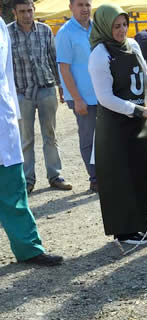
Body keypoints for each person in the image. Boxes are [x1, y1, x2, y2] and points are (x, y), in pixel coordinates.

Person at [88, 4, 147, 244]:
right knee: (122, 176)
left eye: (124, 25)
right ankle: (125, 230)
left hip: (138, 119)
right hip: (115, 125)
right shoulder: (99, 55)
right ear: (105, 27)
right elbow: (105, 98)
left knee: (145, 170)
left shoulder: (133, 45)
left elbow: (144, 74)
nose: (122, 30)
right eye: (116, 26)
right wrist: (140, 110)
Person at [0, 13, 63, 267]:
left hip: (4, 124)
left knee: (14, 190)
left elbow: (7, 73)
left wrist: (12, 113)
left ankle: (29, 249)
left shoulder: (0, 25)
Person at [8, 0, 71, 194]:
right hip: (21, 93)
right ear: (14, 12)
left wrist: (61, 86)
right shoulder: (7, 34)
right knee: (26, 139)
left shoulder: (45, 30)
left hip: (46, 89)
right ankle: (28, 180)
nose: (27, 15)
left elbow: (53, 59)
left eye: (30, 10)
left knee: (50, 135)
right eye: (22, 11)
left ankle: (55, 176)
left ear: (34, 10)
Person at [55, 0, 97, 192]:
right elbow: (64, 69)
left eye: (87, 4)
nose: (84, 9)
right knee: (88, 139)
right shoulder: (65, 33)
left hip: (103, 94)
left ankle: (109, 174)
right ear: (71, 6)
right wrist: (77, 99)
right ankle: (95, 178)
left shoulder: (98, 28)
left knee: (105, 137)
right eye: (80, 4)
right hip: (82, 97)